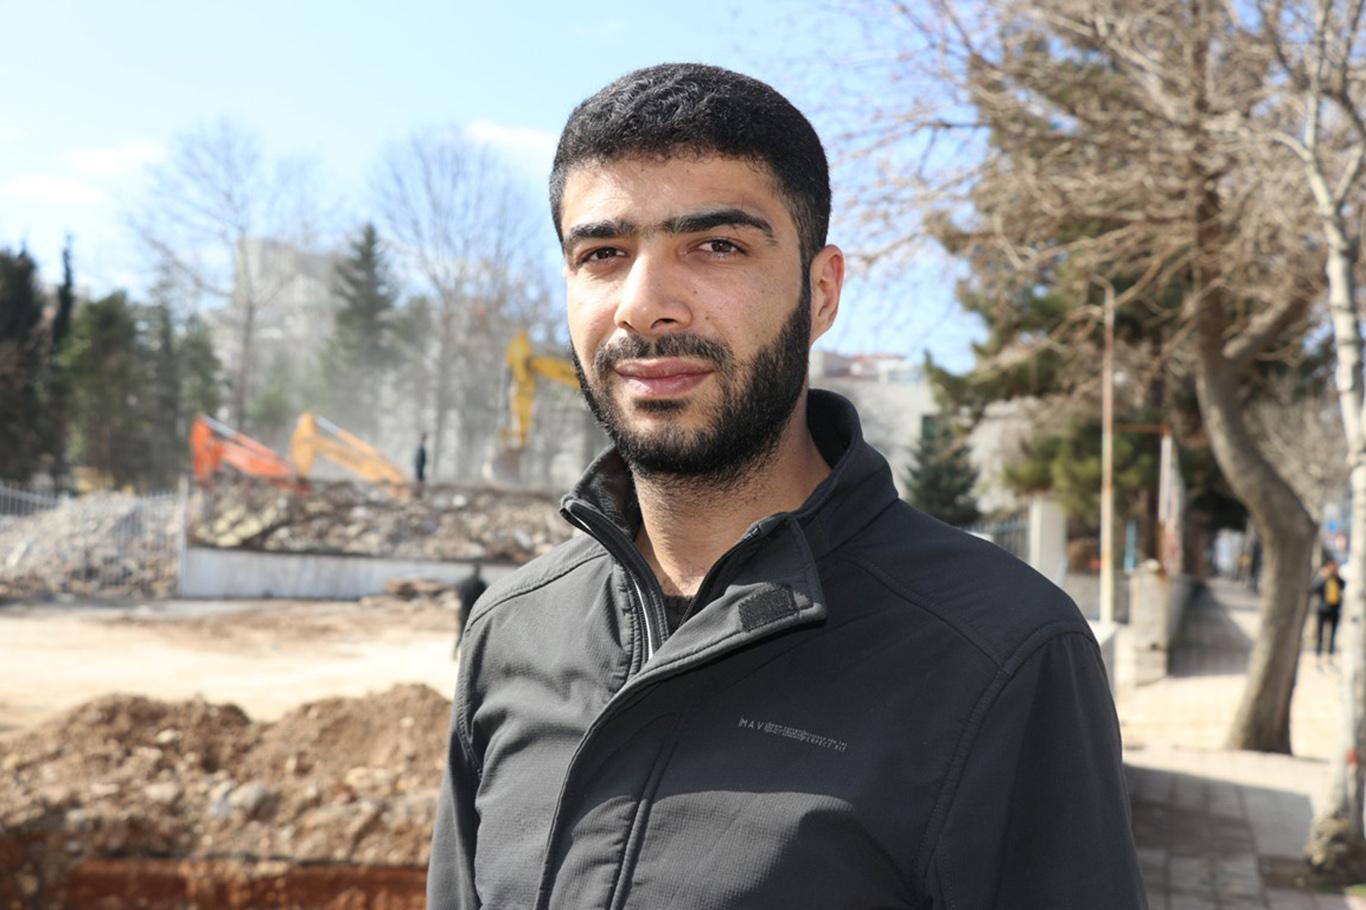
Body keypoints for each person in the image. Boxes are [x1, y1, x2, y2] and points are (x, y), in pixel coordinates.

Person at [428, 63, 1146, 909]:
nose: (644, 305)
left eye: (717, 246)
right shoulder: (511, 631)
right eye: (603, 254)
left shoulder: (1001, 654)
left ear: (822, 291)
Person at [1313, 557, 1346, 661]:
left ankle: (1330, 655)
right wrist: (1322, 577)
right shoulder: (1323, 578)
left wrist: (1337, 575)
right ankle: (1318, 654)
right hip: (1323, 608)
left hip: (1334, 609)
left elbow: (1343, 585)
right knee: (1320, 633)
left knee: (1333, 634)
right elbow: (1315, 589)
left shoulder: (1338, 579)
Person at [452, 561, 486, 655]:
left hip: (462, 611)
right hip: (473, 613)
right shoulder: (480, 583)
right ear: (479, 571)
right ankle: (467, 654)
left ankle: (454, 652)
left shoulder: (463, 582)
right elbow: (484, 598)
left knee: (460, 633)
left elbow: (458, 595)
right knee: (473, 635)